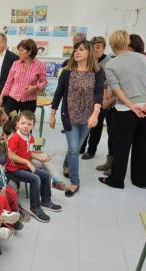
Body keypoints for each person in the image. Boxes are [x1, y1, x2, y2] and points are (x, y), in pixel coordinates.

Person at [98, 30, 146, 189]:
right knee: (142, 144)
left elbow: (117, 90)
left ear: (111, 44)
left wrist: (131, 105)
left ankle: (116, 180)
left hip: (125, 111)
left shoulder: (111, 64)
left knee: (121, 146)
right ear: (127, 42)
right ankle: (141, 181)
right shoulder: (144, 59)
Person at [50, 40, 105, 196]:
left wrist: (95, 113)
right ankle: (75, 182)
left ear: (89, 52)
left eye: (81, 49)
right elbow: (59, 93)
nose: (77, 52)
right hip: (69, 115)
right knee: (74, 149)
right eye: (76, 49)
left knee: (75, 147)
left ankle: (67, 164)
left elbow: (99, 93)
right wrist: (52, 114)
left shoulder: (98, 71)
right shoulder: (67, 71)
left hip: (88, 116)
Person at [6, 111, 61, 222]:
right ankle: (35, 208)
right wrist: (27, 162)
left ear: (33, 126)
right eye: (23, 123)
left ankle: (45, 201)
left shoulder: (30, 137)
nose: (26, 126)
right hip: (14, 169)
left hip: (24, 167)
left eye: (29, 124)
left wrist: (41, 158)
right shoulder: (14, 138)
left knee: (45, 174)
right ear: (17, 124)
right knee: (35, 178)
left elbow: (30, 152)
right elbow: (11, 155)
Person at [81, 36, 113, 160]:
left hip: (101, 97)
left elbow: (109, 81)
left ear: (103, 48)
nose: (95, 49)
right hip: (85, 98)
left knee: (96, 125)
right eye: (93, 47)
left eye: (98, 47)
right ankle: (81, 146)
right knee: (83, 122)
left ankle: (91, 150)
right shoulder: (87, 60)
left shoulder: (109, 62)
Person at [0, 39, 47, 114]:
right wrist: (1, 97)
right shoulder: (15, 64)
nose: (18, 53)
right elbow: (8, 82)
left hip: (29, 101)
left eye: (21, 50)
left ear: (29, 52)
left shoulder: (40, 65)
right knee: (10, 123)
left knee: (26, 123)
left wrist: (36, 87)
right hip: (13, 98)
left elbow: (44, 81)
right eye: (18, 50)